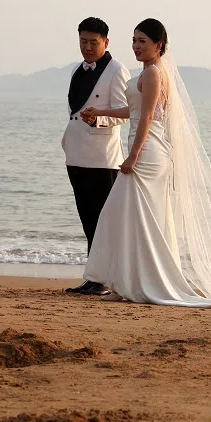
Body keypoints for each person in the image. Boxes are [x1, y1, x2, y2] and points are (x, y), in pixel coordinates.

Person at [81, 19, 211, 308]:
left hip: (148, 154)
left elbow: (146, 120)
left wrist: (132, 156)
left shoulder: (155, 74)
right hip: (145, 150)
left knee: (131, 216)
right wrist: (100, 111)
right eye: (134, 40)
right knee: (131, 217)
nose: (136, 46)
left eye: (142, 40)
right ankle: (130, 280)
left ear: (159, 45)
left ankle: (144, 281)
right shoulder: (146, 73)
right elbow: (132, 110)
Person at [61, 17, 131, 296]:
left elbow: (124, 112)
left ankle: (104, 279)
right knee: (87, 219)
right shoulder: (78, 70)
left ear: (106, 42)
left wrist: (98, 121)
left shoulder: (116, 70)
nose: (87, 48)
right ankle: (94, 276)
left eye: (93, 42)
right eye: (83, 42)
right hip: (76, 154)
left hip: (103, 158)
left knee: (103, 222)